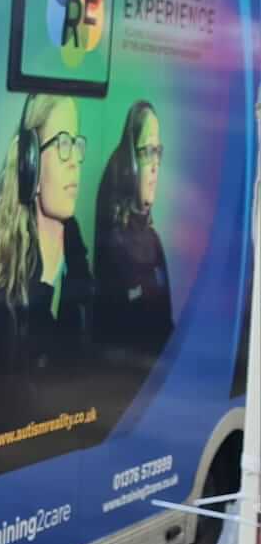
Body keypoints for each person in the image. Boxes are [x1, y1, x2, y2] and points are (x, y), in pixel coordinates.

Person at [0, 93, 96, 450]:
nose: (76, 162)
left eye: (77, 143)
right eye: (64, 144)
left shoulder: (81, 265)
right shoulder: (2, 300)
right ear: (31, 165)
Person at [92, 101, 174, 416]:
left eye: (158, 153)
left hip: (161, 400)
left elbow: (166, 326)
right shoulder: (114, 246)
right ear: (129, 164)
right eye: (146, 152)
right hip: (125, 405)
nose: (155, 165)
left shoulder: (153, 243)